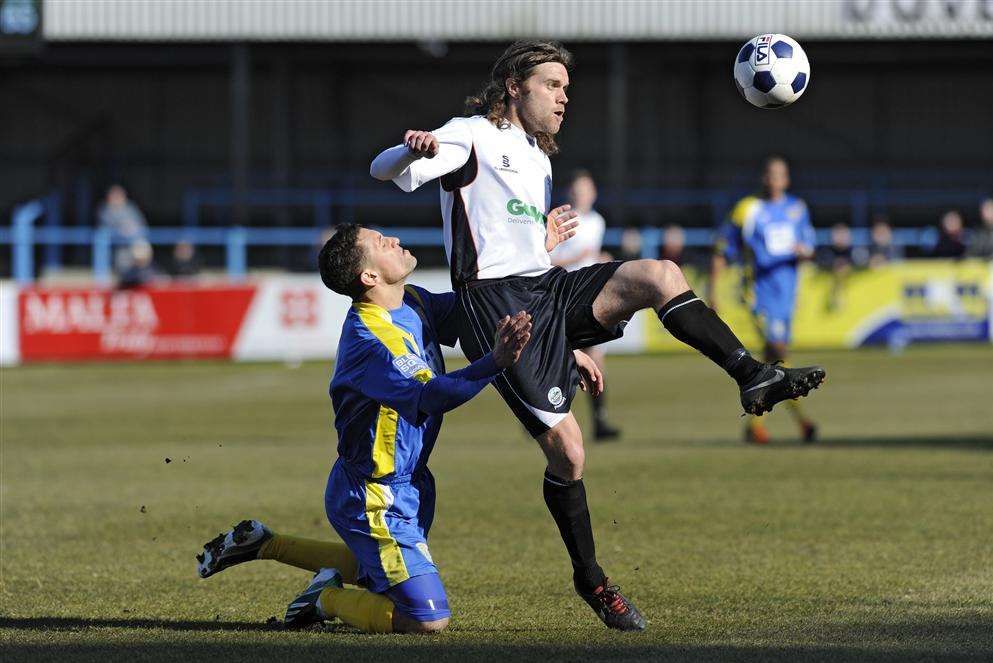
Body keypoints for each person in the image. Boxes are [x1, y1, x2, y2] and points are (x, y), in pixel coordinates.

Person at [370, 40, 825, 630]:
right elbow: (384, 172)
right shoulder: (469, 134)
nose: (564, 98)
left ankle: (753, 376)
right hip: (499, 305)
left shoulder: (536, 157)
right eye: (552, 86)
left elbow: (518, 245)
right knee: (570, 454)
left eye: (566, 89)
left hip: (547, 289)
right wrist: (410, 149)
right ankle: (591, 578)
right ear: (514, 84)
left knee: (659, 274)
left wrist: (572, 329)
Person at [196, 224, 605, 634]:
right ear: (369, 276)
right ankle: (324, 598)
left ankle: (266, 543)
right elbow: (434, 396)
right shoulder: (371, 341)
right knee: (427, 618)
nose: (391, 239)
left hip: (410, 483)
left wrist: (558, 348)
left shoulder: (414, 301)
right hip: (373, 496)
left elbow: (484, 315)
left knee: (374, 567)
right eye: (379, 243)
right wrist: (497, 360)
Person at [710, 155, 819, 445]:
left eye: (779, 174)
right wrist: (712, 290)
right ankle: (800, 422)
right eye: (769, 174)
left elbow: (811, 248)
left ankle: (760, 423)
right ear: (764, 178)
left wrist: (803, 251)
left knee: (773, 361)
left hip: (786, 295)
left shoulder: (797, 209)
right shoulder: (748, 209)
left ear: (787, 179)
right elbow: (722, 249)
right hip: (758, 295)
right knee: (777, 351)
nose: (774, 179)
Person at [549, 170, 621, 441]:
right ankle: (544, 412)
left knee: (595, 360)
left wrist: (602, 260)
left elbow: (592, 258)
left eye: (586, 189)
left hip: (592, 295)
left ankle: (600, 422)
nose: (582, 195)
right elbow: (547, 259)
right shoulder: (560, 222)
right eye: (578, 190)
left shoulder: (597, 222)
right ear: (571, 193)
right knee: (567, 361)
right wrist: (574, 259)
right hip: (565, 294)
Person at [97, 184, 148, 272]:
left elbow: (141, 225)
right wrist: (121, 229)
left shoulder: (130, 208)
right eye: (114, 196)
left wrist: (132, 229)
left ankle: (146, 272)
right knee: (124, 260)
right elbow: (105, 228)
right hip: (117, 246)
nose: (117, 198)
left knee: (142, 245)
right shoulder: (105, 211)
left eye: (119, 195)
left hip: (134, 242)